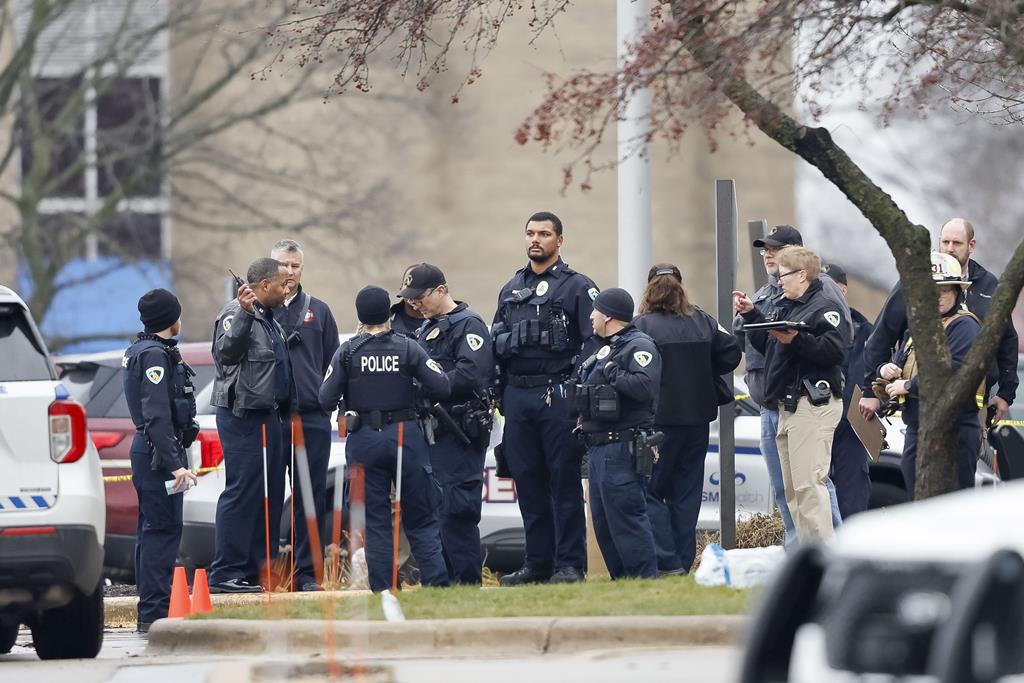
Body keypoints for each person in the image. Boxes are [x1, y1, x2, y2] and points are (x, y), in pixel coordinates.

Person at [319, 285, 451, 592]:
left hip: (364, 440)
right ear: (388, 314)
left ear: (360, 316)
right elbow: (441, 385)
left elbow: (325, 398)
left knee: (375, 521)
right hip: (406, 436)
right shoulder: (409, 347)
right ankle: (437, 586)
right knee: (421, 517)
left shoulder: (348, 352)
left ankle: (384, 590)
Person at [491, 211, 599, 586]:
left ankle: (569, 564)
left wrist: (576, 388)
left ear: (559, 240)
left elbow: (594, 343)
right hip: (518, 394)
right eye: (530, 233)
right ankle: (537, 563)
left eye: (544, 234)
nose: (535, 239)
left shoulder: (577, 287)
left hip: (557, 393)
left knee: (563, 481)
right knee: (527, 481)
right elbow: (495, 342)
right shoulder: (511, 287)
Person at [732, 225, 844, 546]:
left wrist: (796, 339)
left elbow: (836, 348)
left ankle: (827, 553)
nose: (779, 278)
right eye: (765, 250)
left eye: (777, 251)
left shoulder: (823, 298)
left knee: (811, 484)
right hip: (779, 402)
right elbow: (763, 344)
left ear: (801, 270)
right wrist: (752, 315)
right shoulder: (781, 299)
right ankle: (803, 553)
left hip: (810, 400)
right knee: (790, 488)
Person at [633, 265, 741, 574]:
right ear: (681, 287)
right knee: (686, 495)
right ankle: (681, 561)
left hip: (656, 425)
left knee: (648, 491)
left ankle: (666, 560)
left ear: (648, 289)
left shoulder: (640, 326)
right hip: (696, 423)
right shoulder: (703, 321)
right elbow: (731, 354)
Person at [859, 218, 1018, 423]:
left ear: (971, 245)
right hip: (915, 399)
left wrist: (1006, 393)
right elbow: (882, 334)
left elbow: (1007, 340)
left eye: (957, 243)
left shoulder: (989, 286)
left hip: (970, 404)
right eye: (945, 242)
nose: (950, 248)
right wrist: (870, 390)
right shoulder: (916, 281)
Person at [401, 264, 494, 585]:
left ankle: (466, 583)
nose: (415, 304)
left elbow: (471, 374)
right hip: (432, 432)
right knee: (436, 509)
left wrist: (431, 384)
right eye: (410, 299)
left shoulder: (468, 324)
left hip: (458, 430)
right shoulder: (425, 329)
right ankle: (444, 582)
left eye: (420, 297)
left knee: (457, 509)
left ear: (441, 290)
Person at [209, 257, 293, 593]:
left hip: (269, 416)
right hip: (243, 416)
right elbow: (225, 354)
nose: (287, 290)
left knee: (269, 495)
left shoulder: (269, 317)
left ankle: (259, 571)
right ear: (264, 285)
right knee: (243, 492)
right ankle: (226, 572)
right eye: (282, 285)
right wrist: (244, 314)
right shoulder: (237, 312)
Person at [876, 252, 984, 492]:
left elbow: (954, 373)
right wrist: (885, 369)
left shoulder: (964, 326)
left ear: (957, 291)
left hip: (953, 431)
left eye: (943, 291)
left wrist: (907, 386)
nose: (936, 297)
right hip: (918, 427)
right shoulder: (921, 327)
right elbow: (901, 361)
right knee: (919, 500)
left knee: (950, 505)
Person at [123, 289, 198, 632]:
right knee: (162, 531)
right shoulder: (154, 356)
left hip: (152, 452)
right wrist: (174, 464)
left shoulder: (143, 349)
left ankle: (151, 609)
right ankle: (154, 613)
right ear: (172, 319)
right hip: (157, 456)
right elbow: (157, 415)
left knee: (152, 530)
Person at [576, 288, 661, 579]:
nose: (591, 316)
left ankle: (645, 583)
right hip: (599, 447)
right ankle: (623, 583)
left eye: (596, 311)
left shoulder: (639, 346)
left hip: (622, 447)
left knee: (627, 520)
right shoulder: (607, 346)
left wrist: (612, 370)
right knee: (604, 523)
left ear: (609, 315)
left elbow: (644, 386)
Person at [271, 239, 340, 592]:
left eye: (295, 265)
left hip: (311, 418)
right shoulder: (259, 310)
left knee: (309, 498)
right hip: (270, 418)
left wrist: (326, 402)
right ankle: (264, 574)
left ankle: (307, 575)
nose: (289, 271)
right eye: (283, 265)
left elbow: (334, 363)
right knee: (267, 497)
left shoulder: (319, 311)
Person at [822, 263, 873, 517]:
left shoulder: (866, 332)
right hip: (817, 419)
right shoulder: (810, 326)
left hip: (853, 424)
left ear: (843, 289)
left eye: (829, 286)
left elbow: (868, 375)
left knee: (852, 495)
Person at [390, 265, 425, 336]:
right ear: (401, 288)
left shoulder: (443, 321)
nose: (413, 294)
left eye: (418, 287)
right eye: (409, 285)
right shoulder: (386, 323)